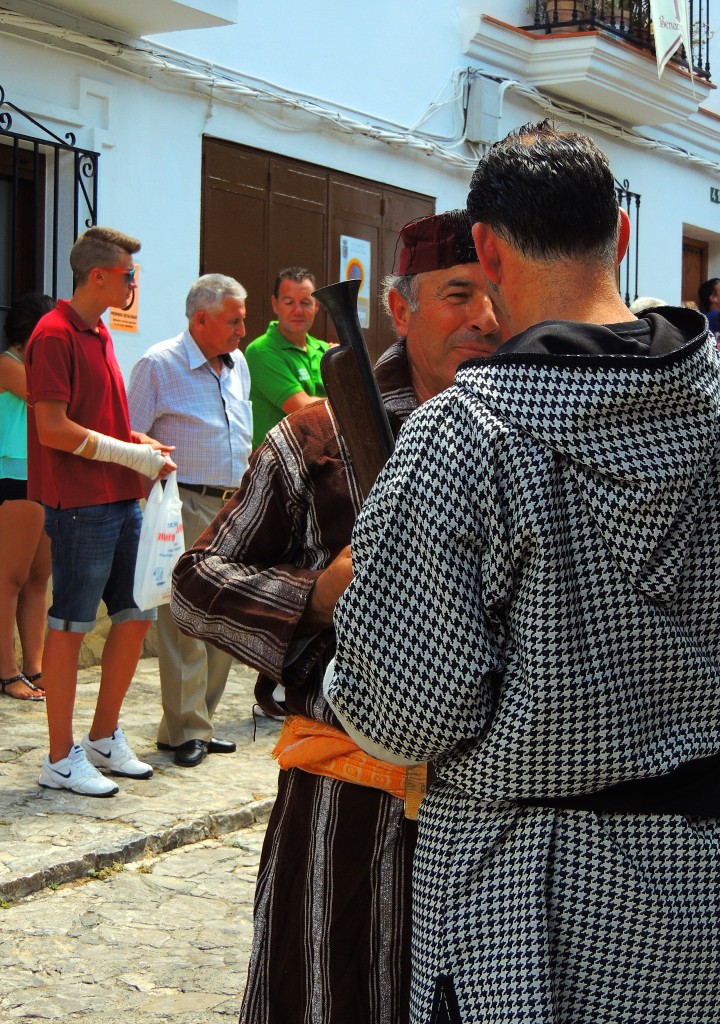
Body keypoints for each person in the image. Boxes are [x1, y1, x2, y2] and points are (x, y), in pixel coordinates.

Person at [327, 122, 720, 1024]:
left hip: (523, 894)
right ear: (623, 233)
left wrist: (346, 670)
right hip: (709, 883)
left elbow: (406, 712)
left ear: (486, 250)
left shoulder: (463, 435)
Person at [170, 210, 503, 1024]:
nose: (485, 319)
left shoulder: (524, 437)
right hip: (339, 818)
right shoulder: (315, 438)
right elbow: (195, 582)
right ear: (402, 308)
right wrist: (317, 594)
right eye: (459, 294)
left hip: (492, 831)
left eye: (497, 296)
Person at [26, 226, 175, 798]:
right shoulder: (54, 333)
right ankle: (60, 757)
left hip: (119, 496)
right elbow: (53, 429)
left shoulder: (99, 332)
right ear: (99, 276)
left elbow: (100, 422)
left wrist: (136, 442)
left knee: (136, 613)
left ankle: (103, 736)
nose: (134, 282)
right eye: (128, 274)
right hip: (79, 505)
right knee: (70, 625)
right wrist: (130, 452)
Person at [128, 274, 252, 768]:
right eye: (234, 319)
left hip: (234, 504)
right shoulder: (158, 364)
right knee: (184, 621)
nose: (243, 329)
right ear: (201, 319)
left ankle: (197, 720)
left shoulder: (237, 363)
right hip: (184, 503)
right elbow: (130, 434)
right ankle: (186, 730)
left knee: (225, 617)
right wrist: (154, 504)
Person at [0, 293, 54, 701]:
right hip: (14, 476)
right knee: (10, 580)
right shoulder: (9, 365)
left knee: (38, 580)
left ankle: (34, 668)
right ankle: (6, 672)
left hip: (45, 477)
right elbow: (47, 401)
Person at [245, 267, 328, 447]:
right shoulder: (261, 351)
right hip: (278, 469)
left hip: (318, 466)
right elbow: (303, 408)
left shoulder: (325, 351)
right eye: (289, 302)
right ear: (275, 304)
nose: (298, 310)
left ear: (317, 306)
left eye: (305, 302)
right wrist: (347, 401)